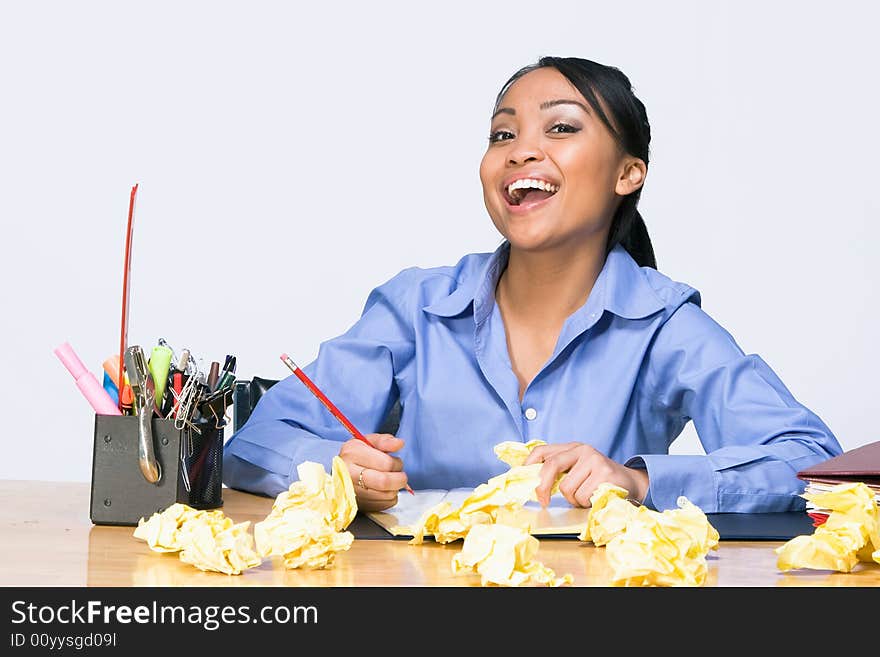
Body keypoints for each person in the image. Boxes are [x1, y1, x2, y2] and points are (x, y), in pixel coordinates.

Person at [223, 56, 842, 514]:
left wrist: (641, 483)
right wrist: (329, 468)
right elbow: (252, 445)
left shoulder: (664, 323)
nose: (521, 151)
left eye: (561, 129)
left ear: (629, 173)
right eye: (502, 134)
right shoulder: (417, 307)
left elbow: (814, 466)